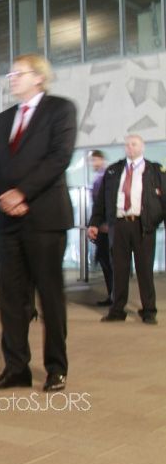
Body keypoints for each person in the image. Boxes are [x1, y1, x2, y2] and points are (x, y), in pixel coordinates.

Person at [0, 54, 76, 393]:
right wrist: (4, 195)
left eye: (18, 74)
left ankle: (56, 368)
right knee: (11, 299)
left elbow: (59, 157)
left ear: (38, 77)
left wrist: (22, 193)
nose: (12, 79)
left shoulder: (60, 109)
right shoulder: (5, 118)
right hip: (9, 222)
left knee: (49, 297)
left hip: (45, 218)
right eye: (10, 74)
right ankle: (16, 367)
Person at [89, 135, 164, 325]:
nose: (130, 147)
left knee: (144, 270)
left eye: (134, 144)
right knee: (119, 269)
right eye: (127, 144)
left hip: (143, 225)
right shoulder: (114, 170)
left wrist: (156, 220)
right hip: (119, 225)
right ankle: (117, 310)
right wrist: (94, 223)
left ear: (142, 147)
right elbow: (101, 201)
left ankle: (149, 311)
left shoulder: (155, 170)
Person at [88, 150, 113, 307]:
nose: (93, 164)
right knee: (106, 263)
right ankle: (112, 295)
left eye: (95, 160)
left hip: (105, 227)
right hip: (101, 225)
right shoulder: (99, 177)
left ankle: (114, 296)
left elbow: (106, 203)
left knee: (109, 263)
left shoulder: (105, 177)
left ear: (101, 160)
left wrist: (103, 224)